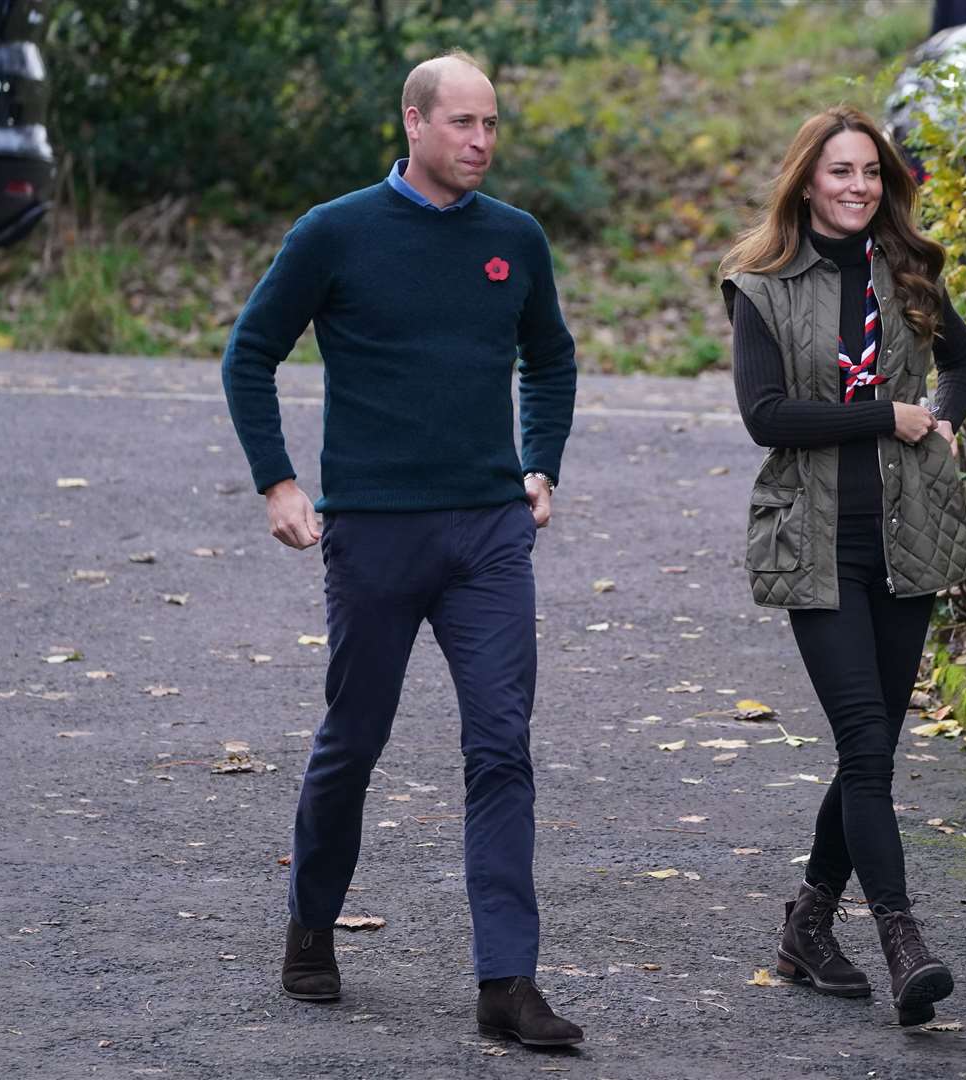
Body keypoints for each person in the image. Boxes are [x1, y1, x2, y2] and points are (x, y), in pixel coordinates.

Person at [221, 50, 583, 1047]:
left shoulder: (515, 239)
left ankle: (507, 982)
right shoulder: (336, 233)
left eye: (492, 125)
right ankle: (311, 922)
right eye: (462, 123)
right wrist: (278, 481)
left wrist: (540, 463)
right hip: (374, 532)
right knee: (354, 742)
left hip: (488, 534)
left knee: (501, 747)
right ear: (413, 124)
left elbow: (551, 360)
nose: (480, 142)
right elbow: (250, 353)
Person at [719, 105, 966, 1027]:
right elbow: (767, 417)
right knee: (866, 745)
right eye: (839, 172)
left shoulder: (905, 268)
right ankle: (903, 938)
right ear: (806, 181)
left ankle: (808, 924)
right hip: (815, 542)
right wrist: (888, 414)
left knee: (870, 751)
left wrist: (942, 414)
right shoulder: (759, 283)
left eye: (870, 173)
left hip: (905, 538)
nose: (857, 188)